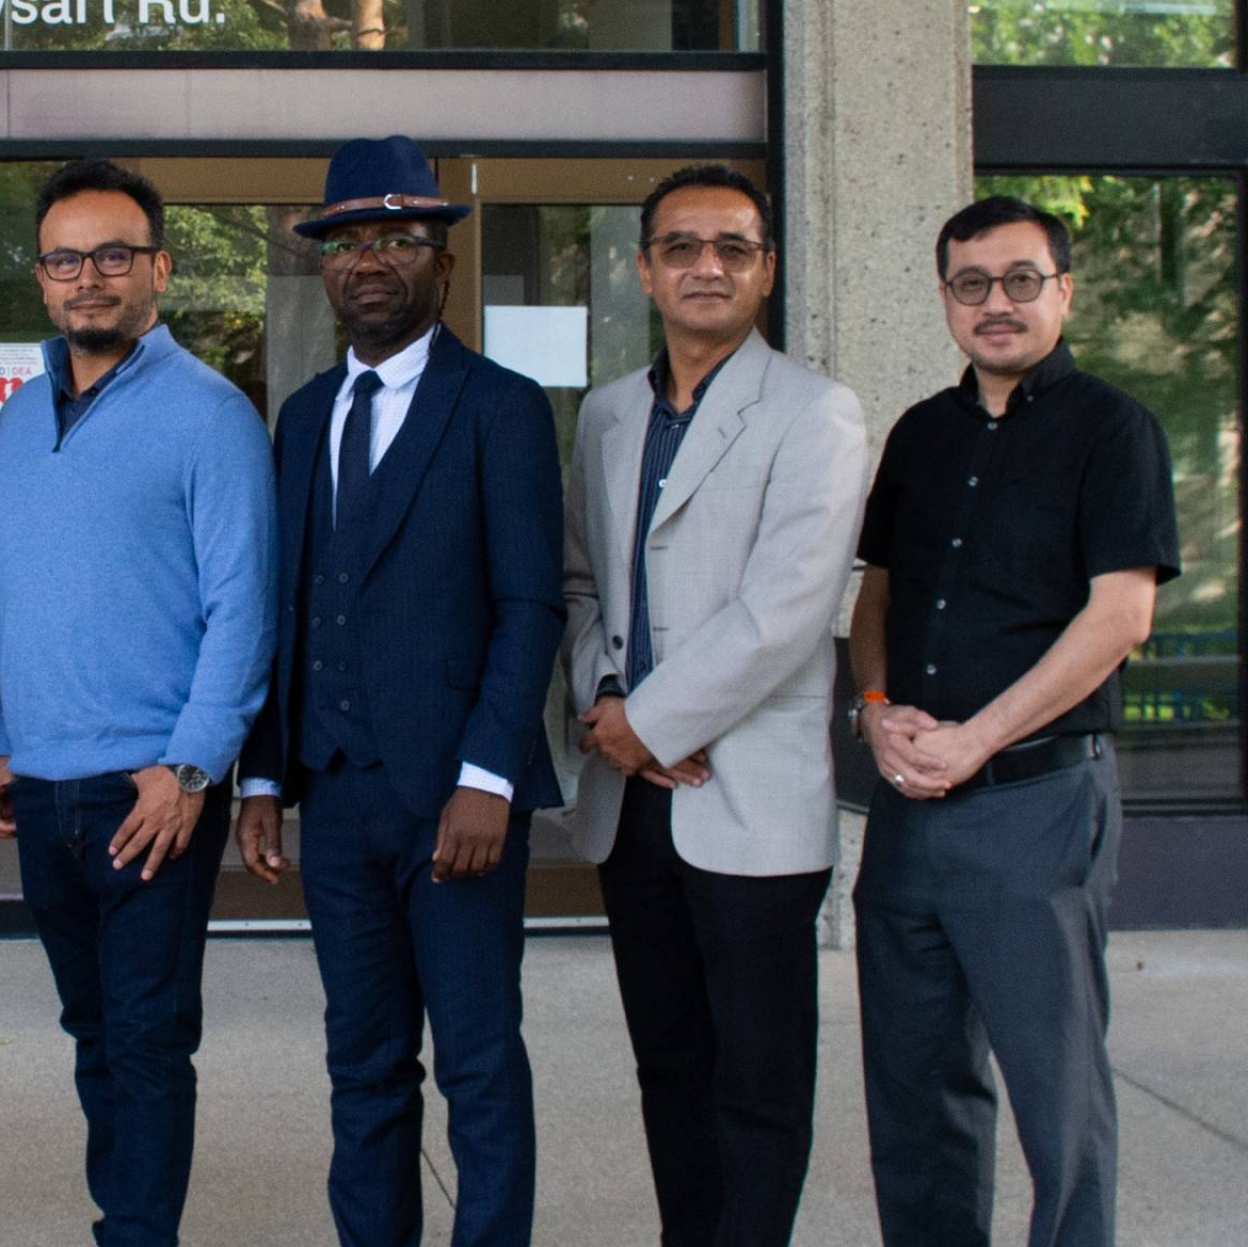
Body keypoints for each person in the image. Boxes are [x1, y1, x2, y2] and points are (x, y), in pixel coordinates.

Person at [234, 134, 563, 1247]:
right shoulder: (304, 416)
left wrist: (488, 778)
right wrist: (267, 772)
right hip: (333, 797)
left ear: (443, 264)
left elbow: (531, 607)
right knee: (362, 1064)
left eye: (396, 239)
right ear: (324, 268)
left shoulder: (501, 408)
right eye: (347, 242)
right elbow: (289, 604)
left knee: (475, 1062)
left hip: (453, 801)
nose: (368, 260)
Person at [852, 194, 1175, 1247]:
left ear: (1062, 291)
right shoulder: (920, 435)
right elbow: (878, 597)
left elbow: (1119, 616)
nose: (996, 304)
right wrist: (874, 711)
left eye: (1020, 280)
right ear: (945, 297)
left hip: (1035, 799)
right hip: (909, 818)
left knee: (1057, 1097)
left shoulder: (1113, 430)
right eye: (970, 284)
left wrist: (973, 737)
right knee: (914, 1090)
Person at [560, 164, 867, 1247]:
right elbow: (584, 583)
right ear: (643, 269)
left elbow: (784, 610)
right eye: (681, 247)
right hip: (630, 802)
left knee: (759, 1080)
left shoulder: (815, 414)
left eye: (732, 249)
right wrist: (607, 704)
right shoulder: (605, 417)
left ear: (765, 271)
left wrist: (652, 724)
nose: (706, 266)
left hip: (751, 800)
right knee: (671, 1065)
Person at [0, 158, 276, 1247]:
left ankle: (135, 1234)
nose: (87, 279)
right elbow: (7, 593)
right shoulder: (17, 420)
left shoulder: (210, 417)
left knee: (147, 1035)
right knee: (92, 1029)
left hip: (149, 786)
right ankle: (126, 1217)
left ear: (157, 268)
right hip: (43, 785)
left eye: (112, 256)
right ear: (42, 278)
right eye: (65, 259)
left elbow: (244, 608)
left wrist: (194, 765)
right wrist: (0, 740)